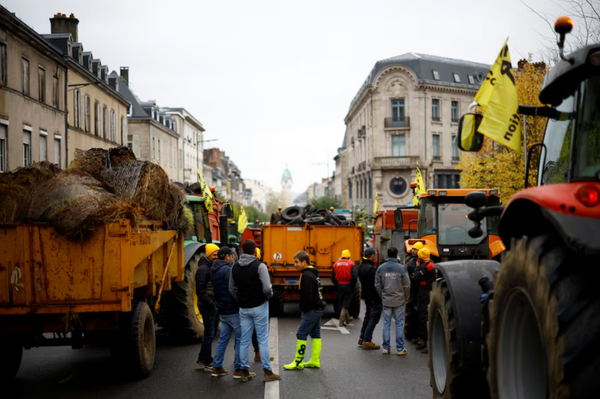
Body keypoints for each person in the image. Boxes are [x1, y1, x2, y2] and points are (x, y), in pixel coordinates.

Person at [229, 240, 281, 382]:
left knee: (244, 340)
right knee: (262, 339)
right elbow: (267, 288)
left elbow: (232, 289)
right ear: (254, 251)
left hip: (243, 308)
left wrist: (240, 300)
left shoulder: (235, 267)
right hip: (259, 306)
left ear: (242, 250)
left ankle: (244, 371)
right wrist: (268, 297)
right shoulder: (260, 266)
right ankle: (267, 371)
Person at [210, 247, 256, 380]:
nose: (232, 258)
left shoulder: (214, 270)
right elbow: (233, 289)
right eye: (231, 256)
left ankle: (217, 367)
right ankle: (239, 369)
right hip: (232, 310)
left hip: (223, 310)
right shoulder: (227, 270)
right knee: (241, 340)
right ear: (227, 257)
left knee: (223, 339)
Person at [283, 251, 326, 370]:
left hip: (312, 309)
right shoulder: (313, 273)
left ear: (304, 262)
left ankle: (298, 362)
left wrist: (303, 308)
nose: (294, 265)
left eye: (297, 262)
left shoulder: (306, 275)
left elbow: (308, 295)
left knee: (301, 333)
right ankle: (314, 360)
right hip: (318, 307)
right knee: (315, 334)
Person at [375, 247, 411, 355]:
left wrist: (382, 295)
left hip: (386, 300)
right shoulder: (402, 268)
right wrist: (406, 297)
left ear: (387, 254)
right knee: (399, 323)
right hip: (399, 300)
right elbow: (407, 284)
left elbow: (377, 284)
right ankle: (400, 349)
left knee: (386, 324)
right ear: (396, 255)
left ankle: (386, 348)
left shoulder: (381, 268)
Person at [195, 243, 220, 371]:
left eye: (217, 254)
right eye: (214, 254)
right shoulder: (203, 269)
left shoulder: (210, 266)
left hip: (211, 304)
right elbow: (200, 289)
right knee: (209, 334)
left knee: (211, 333)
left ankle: (202, 359)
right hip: (207, 306)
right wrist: (211, 304)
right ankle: (208, 362)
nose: (216, 256)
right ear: (209, 254)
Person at [358, 248, 382, 350]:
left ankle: (362, 337)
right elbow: (377, 284)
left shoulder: (361, 266)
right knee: (374, 317)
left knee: (368, 316)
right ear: (371, 255)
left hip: (366, 295)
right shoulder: (371, 269)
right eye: (374, 255)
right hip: (373, 296)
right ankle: (367, 340)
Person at [414, 247, 435, 354]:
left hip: (425, 293)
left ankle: (427, 342)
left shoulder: (429, 266)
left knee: (424, 316)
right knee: (422, 315)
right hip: (425, 292)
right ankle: (423, 339)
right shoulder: (429, 264)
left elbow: (417, 277)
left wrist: (417, 268)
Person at [331, 249, 357, 327]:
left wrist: (337, 284)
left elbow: (332, 276)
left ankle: (348, 319)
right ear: (349, 257)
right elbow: (355, 276)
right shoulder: (351, 264)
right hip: (348, 285)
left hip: (339, 285)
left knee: (343, 302)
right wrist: (352, 284)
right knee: (346, 304)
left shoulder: (335, 264)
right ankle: (341, 321)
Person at [405, 242, 423, 345]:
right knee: (411, 311)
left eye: (415, 249)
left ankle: (422, 336)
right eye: (413, 249)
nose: (412, 251)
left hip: (422, 290)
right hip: (413, 290)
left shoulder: (427, 263)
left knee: (422, 313)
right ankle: (412, 333)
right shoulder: (411, 262)